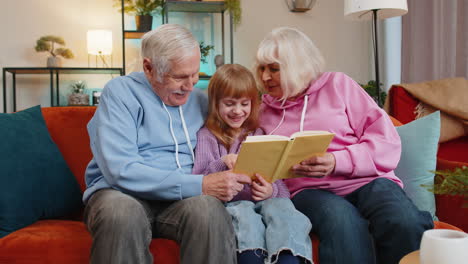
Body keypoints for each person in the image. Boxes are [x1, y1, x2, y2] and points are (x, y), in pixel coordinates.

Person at [254, 27, 434, 264]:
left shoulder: (339, 85)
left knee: (404, 221)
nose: (265, 77)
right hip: (308, 191)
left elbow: (386, 142)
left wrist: (337, 161)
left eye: (274, 69)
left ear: (297, 65)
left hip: (369, 180)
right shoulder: (262, 112)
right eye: (262, 68)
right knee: (343, 222)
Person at [82, 24, 252, 264]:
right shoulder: (120, 93)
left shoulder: (200, 100)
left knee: (209, 212)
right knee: (121, 214)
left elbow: (239, 128)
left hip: (181, 203)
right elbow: (121, 170)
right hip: (121, 194)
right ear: (149, 68)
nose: (191, 86)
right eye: (180, 77)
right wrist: (200, 184)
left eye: (195, 74)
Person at [192, 63, 312, 264]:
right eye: (229, 104)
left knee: (281, 207)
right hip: (233, 206)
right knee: (244, 212)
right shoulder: (207, 136)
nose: (238, 111)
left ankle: (288, 257)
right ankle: (251, 257)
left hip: (265, 203)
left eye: (244, 104)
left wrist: (270, 190)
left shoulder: (258, 135)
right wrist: (222, 163)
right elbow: (199, 182)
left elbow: (282, 189)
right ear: (215, 104)